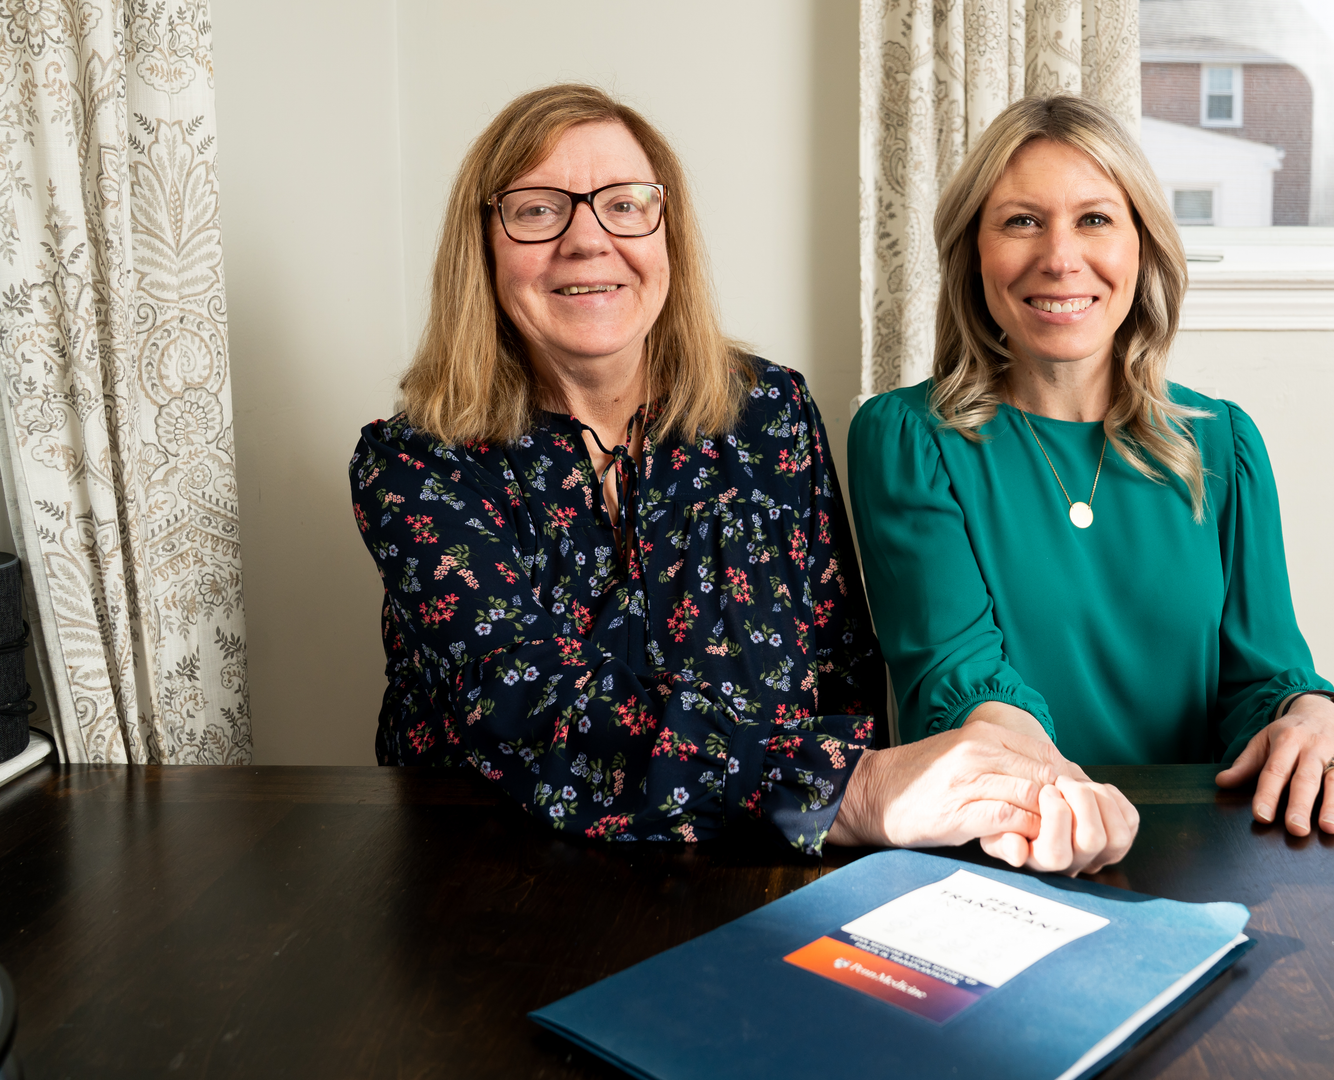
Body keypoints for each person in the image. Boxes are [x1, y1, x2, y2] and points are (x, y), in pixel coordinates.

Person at [349, 84, 1129, 871]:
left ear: (669, 234)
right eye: (538, 209)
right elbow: (528, 711)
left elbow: (840, 680)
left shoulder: (772, 412)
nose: (588, 241)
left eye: (624, 205)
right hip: (495, 883)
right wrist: (846, 790)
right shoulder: (415, 463)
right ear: (482, 245)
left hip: (762, 875)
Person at [848, 95, 1334, 839]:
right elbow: (959, 682)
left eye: (1095, 219)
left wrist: (1316, 716)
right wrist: (1058, 798)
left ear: (1142, 246)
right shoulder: (907, 438)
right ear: (974, 252)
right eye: (1021, 221)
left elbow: (1262, 680)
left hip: (1202, 853)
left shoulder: (1224, 445)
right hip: (1000, 842)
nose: (1060, 258)